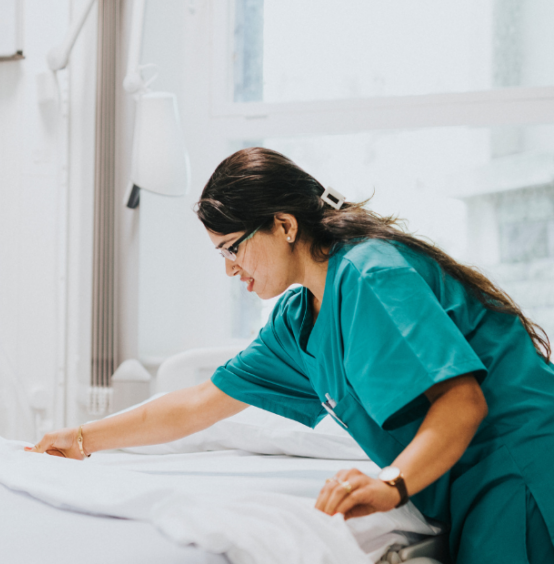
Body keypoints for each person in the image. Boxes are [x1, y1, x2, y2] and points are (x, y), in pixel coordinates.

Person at [27, 147, 554, 563]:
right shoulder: (298, 319)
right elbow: (199, 404)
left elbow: (462, 404)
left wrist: (390, 484)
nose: (230, 269)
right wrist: (79, 438)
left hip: (522, 471)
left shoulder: (371, 274)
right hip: (469, 488)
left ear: (283, 225)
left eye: (232, 247)